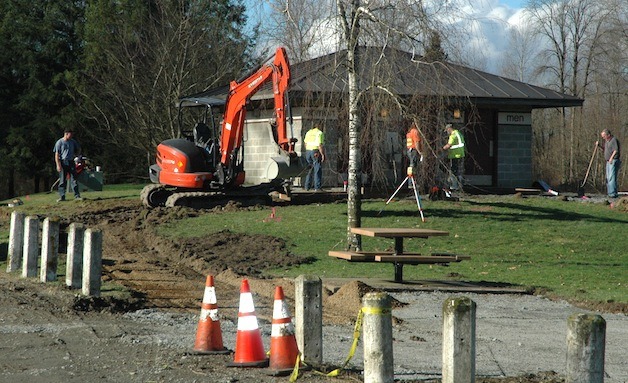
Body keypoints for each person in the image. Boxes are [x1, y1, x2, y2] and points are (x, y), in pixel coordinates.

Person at [53, 128, 82, 202]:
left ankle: (77, 196)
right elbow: (56, 155)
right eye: (70, 135)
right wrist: (58, 165)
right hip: (63, 162)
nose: (71, 136)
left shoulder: (72, 142)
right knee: (62, 180)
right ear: (66, 134)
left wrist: (77, 155)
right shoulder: (59, 142)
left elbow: (78, 148)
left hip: (71, 161)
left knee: (74, 179)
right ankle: (62, 196)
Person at [596, 129, 621, 198]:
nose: (603, 137)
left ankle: (612, 194)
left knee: (611, 178)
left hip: (613, 161)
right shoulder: (607, 142)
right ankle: (611, 192)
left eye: (604, 136)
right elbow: (605, 149)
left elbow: (616, 150)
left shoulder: (613, 140)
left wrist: (611, 158)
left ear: (608, 135)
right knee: (608, 178)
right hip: (608, 161)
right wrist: (599, 146)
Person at [442, 123, 465, 190]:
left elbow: (449, 145)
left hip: (455, 155)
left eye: (447, 130)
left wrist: (442, 149)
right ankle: (458, 185)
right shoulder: (459, 134)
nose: (447, 132)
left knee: (453, 171)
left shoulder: (453, 135)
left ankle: (454, 186)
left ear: (449, 129)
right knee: (457, 170)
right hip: (460, 154)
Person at [303, 124, 325, 191]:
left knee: (309, 169)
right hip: (315, 151)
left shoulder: (309, 132)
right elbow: (320, 145)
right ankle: (317, 187)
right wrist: (322, 154)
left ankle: (307, 187)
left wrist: (308, 150)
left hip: (308, 151)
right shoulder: (319, 133)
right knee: (317, 169)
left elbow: (305, 143)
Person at [405, 122, 423, 188]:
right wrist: (419, 151)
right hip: (413, 150)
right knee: (413, 166)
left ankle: (411, 181)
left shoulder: (409, 133)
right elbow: (416, 142)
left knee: (411, 165)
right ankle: (412, 182)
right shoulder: (415, 132)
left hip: (409, 150)